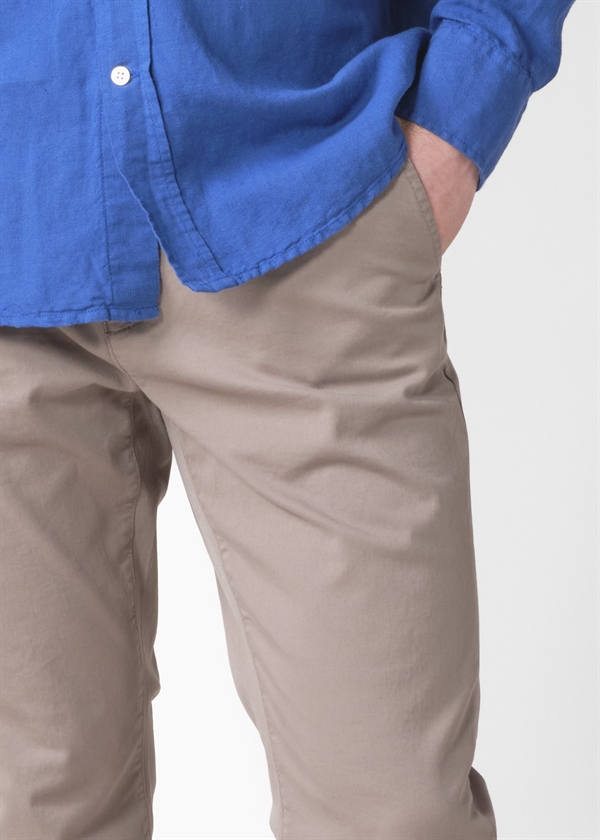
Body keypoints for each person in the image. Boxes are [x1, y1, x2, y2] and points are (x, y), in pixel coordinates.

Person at [0, 2, 576, 838]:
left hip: (300, 196)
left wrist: (463, 107)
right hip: (18, 207)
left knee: (389, 811)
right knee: (32, 806)